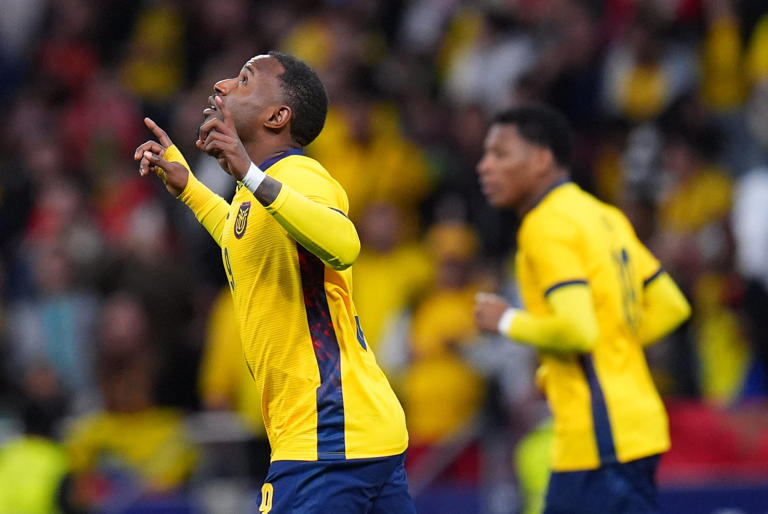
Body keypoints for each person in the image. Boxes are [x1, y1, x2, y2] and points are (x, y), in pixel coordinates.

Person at [134, 51, 414, 513]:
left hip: (327, 436)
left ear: (278, 116)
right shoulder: (258, 192)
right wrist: (190, 187)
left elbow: (345, 244)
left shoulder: (300, 174)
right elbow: (242, 241)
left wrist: (246, 171)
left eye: (243, 80)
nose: (222, 86)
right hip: (356, 431)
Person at [473, 104, 691, 513]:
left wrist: (505, 320)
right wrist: (607, 351)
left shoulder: (546, 225)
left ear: (541, 160)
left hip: (599, 436)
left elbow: (578, 330)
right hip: (629, 426)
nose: (485, 166)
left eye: (500, 154)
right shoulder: (603, 215)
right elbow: (670, 305)